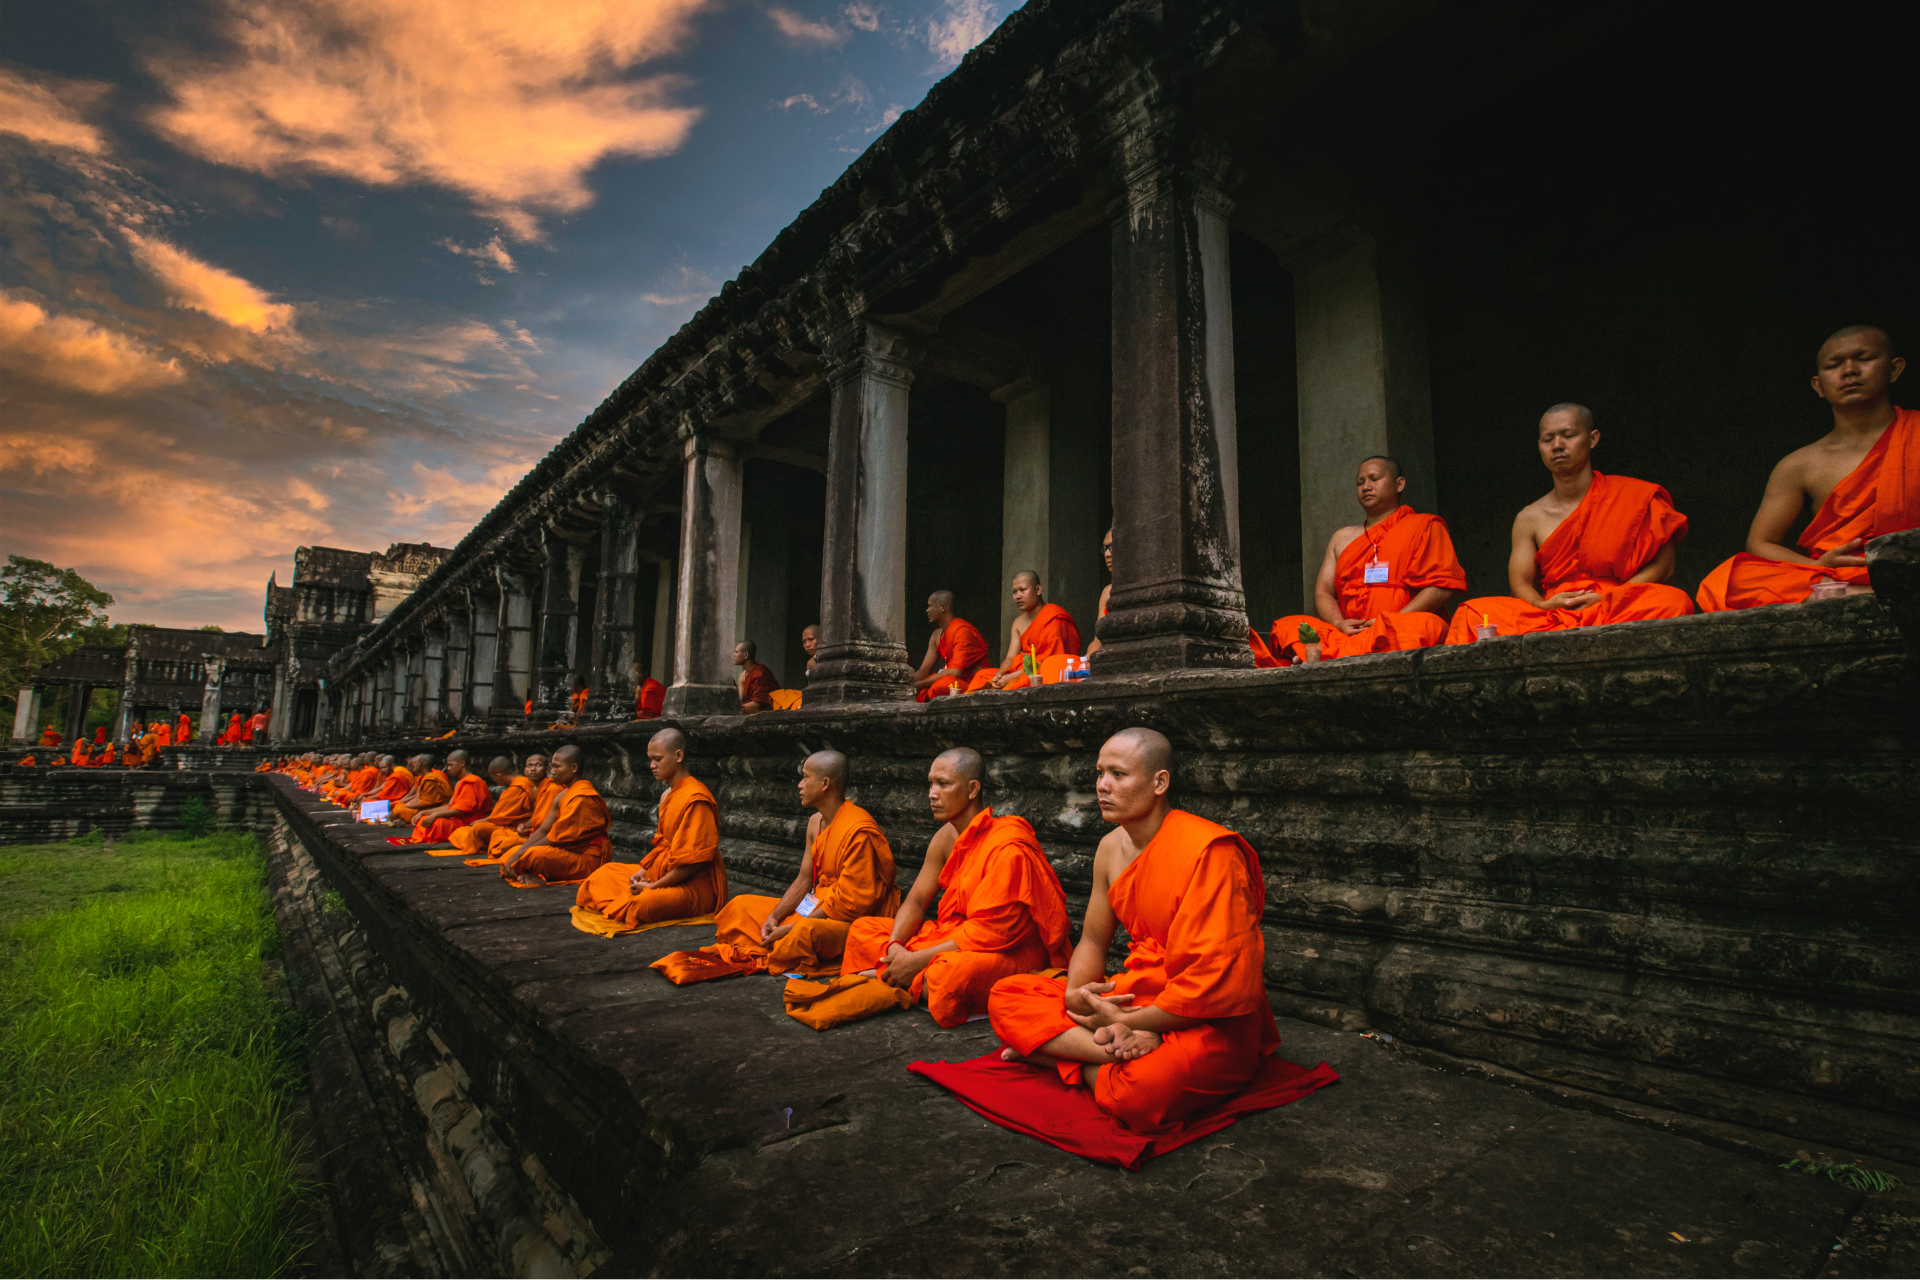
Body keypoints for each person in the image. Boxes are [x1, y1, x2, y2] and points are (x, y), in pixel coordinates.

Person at [988, 728, 1279, 1134]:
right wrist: (1079, 994)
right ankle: (1111, 1053)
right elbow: (1092, 939)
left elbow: (1219, 983)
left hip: (1205, 1017)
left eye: (1119, 775)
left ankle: (1057, 1057)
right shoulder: (1110, 848)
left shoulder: (1210, 852)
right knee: (1006, 996)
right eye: (1099, 772)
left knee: (1142, 1093)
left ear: (1159, 782)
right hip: (1133, 996)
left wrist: (1141, 1022)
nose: (1102, 786)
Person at [839, 748, 1071, 1026]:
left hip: (1006, 950)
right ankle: (899, 974)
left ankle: (890, 975)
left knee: (949, 975)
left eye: (943, 784)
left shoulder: (1009, 846)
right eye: (931, 783)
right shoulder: (945, 837)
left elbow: (991, 933)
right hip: (954, 935)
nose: (931, 793)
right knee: (863, 930)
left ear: (973, 789)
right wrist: (895, 947)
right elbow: (915, 902)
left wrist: (916, 960)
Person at [1698, 326, 1917, 610]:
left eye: (1864, 359)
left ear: (1894, 369)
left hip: (1912, 569)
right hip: (1840, 577)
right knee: (1732, 578)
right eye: (1834, 364)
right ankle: (1851, 594)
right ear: (1818, 386)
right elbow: (1761, 541)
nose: (1849, 370)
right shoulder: (1800, 464)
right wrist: (1816, 566)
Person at [1444, 405, 1693, 642]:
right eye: (1548, 439)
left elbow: (1664, 566)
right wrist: (1543, 604)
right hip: (1553, 613)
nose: (1557, 446)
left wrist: (1606, 597)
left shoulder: (1633, 495)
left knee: (1672, 600)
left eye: (1568, 435)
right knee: (1472, 614)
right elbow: (1519, 583)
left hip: (1615, 604)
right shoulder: (1530, 517)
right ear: (1539, 446)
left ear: (1593, 439)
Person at [657, 751, 896, 980]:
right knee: (738, 907)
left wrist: (796, 925)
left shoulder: (859, 831)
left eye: (805, 778)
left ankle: (781, 943)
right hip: (812, 907)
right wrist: (775, 916)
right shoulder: (815, 823)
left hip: (841, 922)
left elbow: (852, 902)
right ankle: (778, 939)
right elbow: (804, 879)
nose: (799, 785)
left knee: (803, 935)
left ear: (825, 784)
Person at [1269, 456, 1466, 662]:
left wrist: (1390, 621)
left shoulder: (1425, 526)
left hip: (1398, 628)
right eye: (1360, 482)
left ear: (1399, 484)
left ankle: (1331, 655)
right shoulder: (1342, 537)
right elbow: (1323, 592)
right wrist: (1339, 624)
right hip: (1349, 632)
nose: (1366, 487)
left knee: (1425, 625)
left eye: (1374, 479)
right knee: (1290, 626)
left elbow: (1441, 587)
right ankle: (1346, 649)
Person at [574, 728, 725, 929]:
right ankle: (631, 895)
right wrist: (642, 872)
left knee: (641, 905)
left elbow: (694, 863)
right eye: (650, 759)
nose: (651, 766)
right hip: (660, 874)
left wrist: (653, 886)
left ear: (678, 756)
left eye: (658, 759)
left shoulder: (696, 799)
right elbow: (662, 843)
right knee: (602, 875)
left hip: (692, 885)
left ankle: (632, 898)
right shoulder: (667, 796)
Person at [500, 745, 612, 887]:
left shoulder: (582, 797)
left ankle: (542, 877)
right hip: (568, 852)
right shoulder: (562, 795)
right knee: (512, 855)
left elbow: (553, 838)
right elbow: (543, 830)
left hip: (588, 860)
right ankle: (538, 872)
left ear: (574, 768)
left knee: (533, 856)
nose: (551, 771)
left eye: (556, 767)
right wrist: (517, 854)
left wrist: (519, 855)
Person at [965, 572, 1082, 692]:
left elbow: (1048, 661)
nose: (1017, 596)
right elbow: (1010, 657)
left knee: (1045, 670)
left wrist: (1011, 677)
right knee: (982, 675)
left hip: (1043, 670)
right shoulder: (1018, 623)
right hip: (1022, 671)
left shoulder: (1053, 617)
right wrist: (1000, 674)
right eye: (1014, 592)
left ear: (1038, 590)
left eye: (1022, 590)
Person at [446, 758, 538, 857]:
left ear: (498, 775)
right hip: (515, 825)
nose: (495, 781)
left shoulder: (516, 789)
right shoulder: (526, 782)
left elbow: (499, 818)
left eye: (494, 778)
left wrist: (480, 822)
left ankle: (484, 845)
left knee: (477, 828)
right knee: (462, 832)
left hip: (515, 828)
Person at [396, 750, 490, 844]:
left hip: (469, 823)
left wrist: (436, 814)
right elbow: (449, 806)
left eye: (451, 765)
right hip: (458, 820)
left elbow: (461, 810)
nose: (448, 768)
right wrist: (424, 813)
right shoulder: (460, 782)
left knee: (435, 824)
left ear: (462, 763)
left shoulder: (472, 781)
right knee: (423, 819)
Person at [476, 753, 557, 861]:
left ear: (547, 769)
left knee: (506, 846)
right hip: (532, 831)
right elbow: (536, 815)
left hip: (546, 836)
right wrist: (524, 826)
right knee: (498, 835)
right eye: (529, 766)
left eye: (538, 765)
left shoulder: (553, 789)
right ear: (524, 770)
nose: (533, 769)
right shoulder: (535, 789)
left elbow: (546, 823)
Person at [912, 592, 990, 701]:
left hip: (971, 684)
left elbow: (955, 672)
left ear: (942, 607)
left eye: (930, 606)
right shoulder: (936, 636)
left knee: (942, 684)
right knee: (929, 684)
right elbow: (924, 670)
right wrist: (906, 681)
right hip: (951, 680)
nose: (927, 610)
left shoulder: (961, 631)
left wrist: (921, 684)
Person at [389, 755, 450, 826]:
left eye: (415, 763)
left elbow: (426, 803)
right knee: (398, 807)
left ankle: (406, 820)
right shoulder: (424, 777)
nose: (412, 765)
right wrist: (402, 805)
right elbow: (417, 797)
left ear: (421, 765)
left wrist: (403, 807)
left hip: (436, 808)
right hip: (425, 808)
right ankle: (405, 820)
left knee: (398, 810)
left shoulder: (430, 779)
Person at [1086, 528, 1113, 658]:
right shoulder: (1107, 592)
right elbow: (1098, 640)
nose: (1107, 554)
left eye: (1113, 547)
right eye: (1105, 548)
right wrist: (1087, 660)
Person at [734, 641, 779, 714]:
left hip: (765, 713)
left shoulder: (760, 672)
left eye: (736, 652)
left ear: (746, 655)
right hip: (749, 711)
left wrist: (736, 710)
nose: (734, 655)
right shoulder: (742, 676)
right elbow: (740, 700)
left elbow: (759, 703)